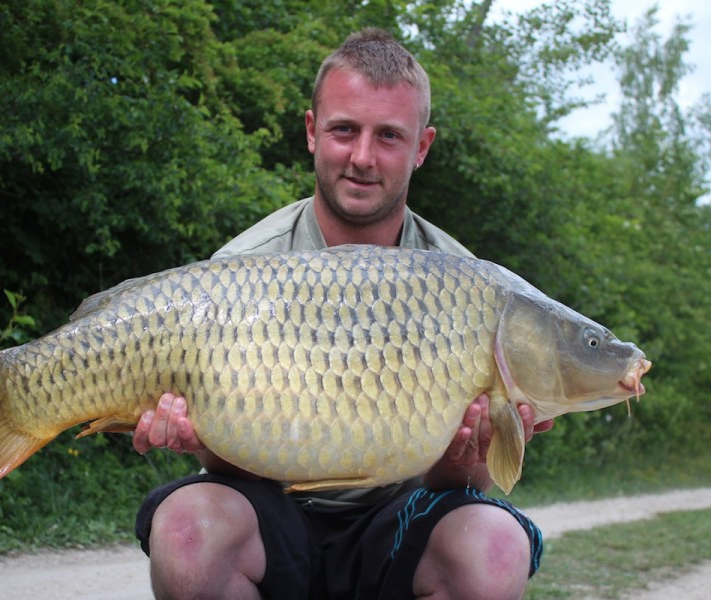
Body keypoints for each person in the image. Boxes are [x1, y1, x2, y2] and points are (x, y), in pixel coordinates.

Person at [133, 28, 553, 599]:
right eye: (344, 130)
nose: (362, 157)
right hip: (272, 511)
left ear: (421, 147)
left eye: (388, 136)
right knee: (187, 531)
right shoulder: (239, 272)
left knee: (495, 546)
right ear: (312, 132)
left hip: (400, 518)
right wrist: (195, 433)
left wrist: (470, 456)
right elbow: (229, 467)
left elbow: (466, 486)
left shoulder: (471, 288)